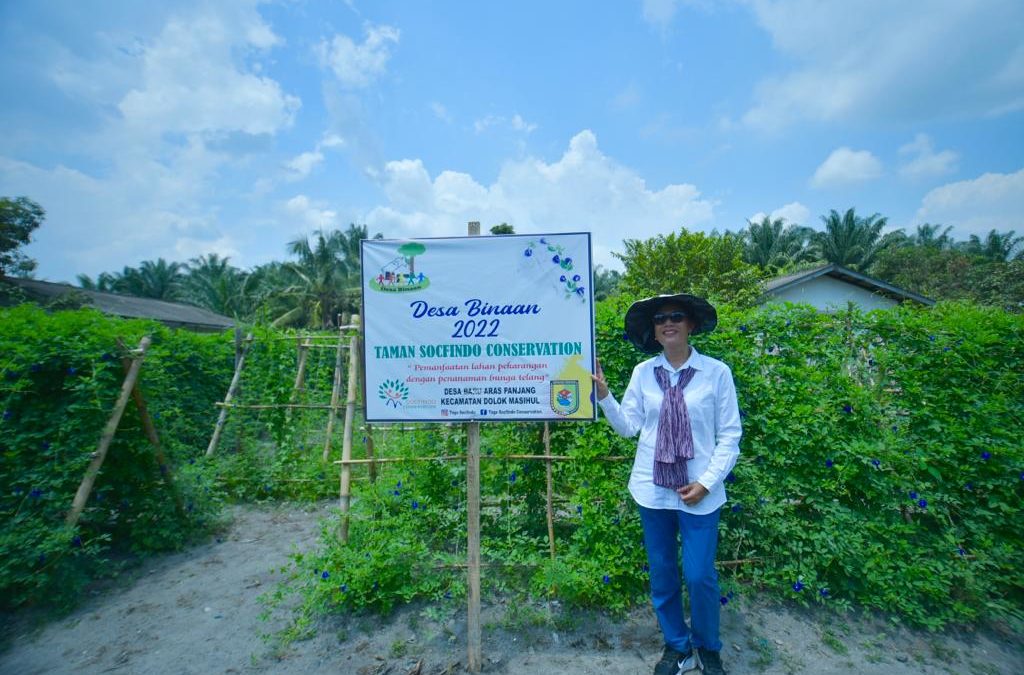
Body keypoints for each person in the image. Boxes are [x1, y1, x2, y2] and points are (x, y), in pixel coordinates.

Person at [592, 293, 741, 675]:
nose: (668, 322)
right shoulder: (643, 373)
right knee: (662, 573)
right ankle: (677, 646)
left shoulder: (717, 373)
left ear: (691, 325)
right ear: (654, 331)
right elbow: (628, 427)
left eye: (677, 316)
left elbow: (730, 435)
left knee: (699, 574)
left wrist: (707, 483)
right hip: (652, 490)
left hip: (700, 493)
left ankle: (707, 646)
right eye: (661, 319)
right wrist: (604, 395)